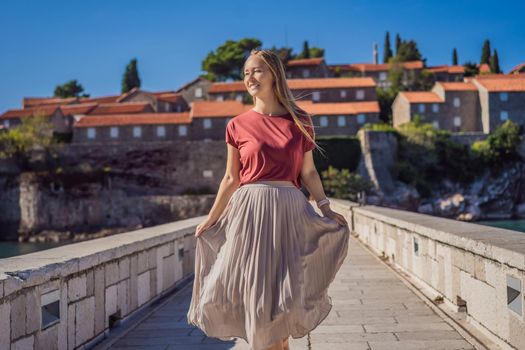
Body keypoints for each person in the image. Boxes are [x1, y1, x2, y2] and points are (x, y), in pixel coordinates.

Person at [187, 48, 349, 350]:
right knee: (259, 304)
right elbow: (231, 179)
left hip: (290, 213)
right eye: (246, 72)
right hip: (249, 216)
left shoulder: (300, 120)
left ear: (274, 74)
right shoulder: (236, 125)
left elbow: (309, 173)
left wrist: (325, 207)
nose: (250, 77)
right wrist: (211, 219)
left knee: (284, 303)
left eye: (257, 70)